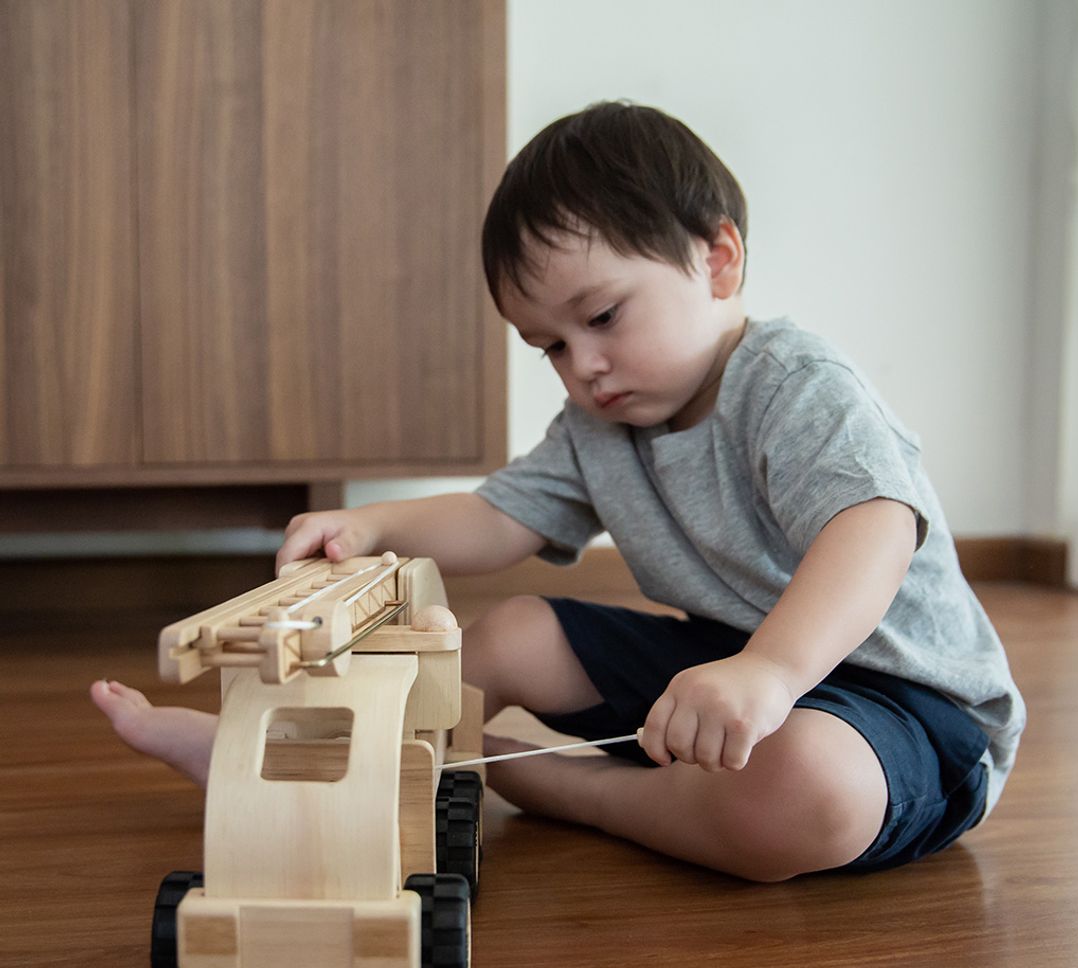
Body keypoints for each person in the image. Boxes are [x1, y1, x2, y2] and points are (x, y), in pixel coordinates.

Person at [92, 102, 1024, 882]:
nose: (583, 366)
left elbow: (874, 529)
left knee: (806, 788)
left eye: (603, 317)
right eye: (550, 347)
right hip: (727, 668)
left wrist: (770, 673)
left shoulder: (794, 383)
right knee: (512, 632)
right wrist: (370, 523)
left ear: (719, 261)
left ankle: (563, 789)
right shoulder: (600, 425)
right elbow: (500, 516)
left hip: (908, 712)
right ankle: (294, 760)